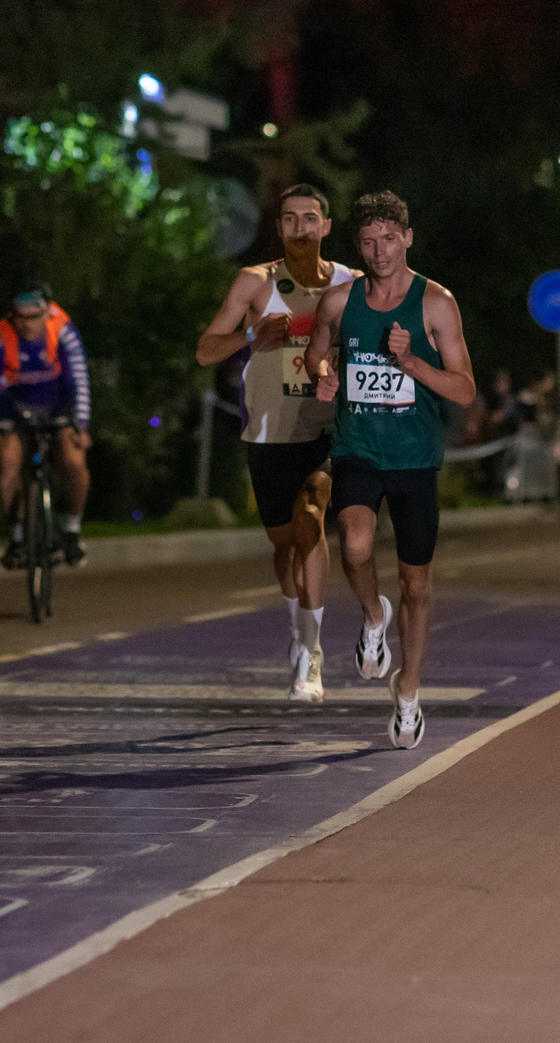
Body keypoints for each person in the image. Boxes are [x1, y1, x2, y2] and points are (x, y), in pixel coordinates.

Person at [306, 190, 476, 750]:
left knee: (416, 584)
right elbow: (316, 352)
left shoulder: (436, 304)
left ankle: (408, 690)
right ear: (357, 247)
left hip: (415, 459)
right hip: (357, 448)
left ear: (407, 239)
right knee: (355, 545)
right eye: (368, 242)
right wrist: (323, 377)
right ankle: (372, 617)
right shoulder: (340, 301)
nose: (379, 252)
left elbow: (465, 390)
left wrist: (410, 362)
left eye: (388, 239)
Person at [196, 184, 355, 703]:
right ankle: (297, 628)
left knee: (312, 516)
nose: (300, 227)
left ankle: (312, 653)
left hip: (327, 431)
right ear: (279, 226)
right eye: (290, 218)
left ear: (326, 227)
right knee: (285, 548)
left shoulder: (351, 285)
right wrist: (251, 337)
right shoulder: (255, 282)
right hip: (269, 435)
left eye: (310, 218)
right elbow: (205, 351)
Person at [0, 283, 91, 567]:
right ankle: (17, 539)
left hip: (57, 407)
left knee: (74, 461)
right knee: (7, 467)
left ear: (47, 313)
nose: (27, 325)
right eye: (21, 318)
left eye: (34, 317)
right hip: (15, 411)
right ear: (13, 316)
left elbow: (79, 380)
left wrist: (82, 424)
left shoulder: (63, 331)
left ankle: (72, 531)